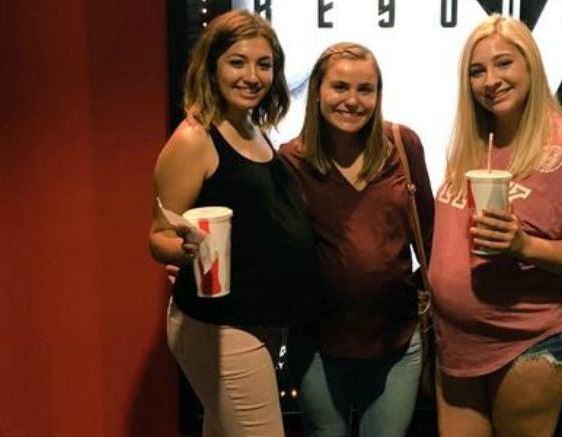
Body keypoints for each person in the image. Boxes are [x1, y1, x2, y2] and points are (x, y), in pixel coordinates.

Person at [427, 14, 562, 437]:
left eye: (503, 64)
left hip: (529, 339)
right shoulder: (474, 143)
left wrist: (524, 246)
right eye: (477, 71)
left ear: (530, 64)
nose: (490, 80)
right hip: (456, 340)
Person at [149, 10, 315, 437]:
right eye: (237, 61)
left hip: (258, 323)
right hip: (219, 325)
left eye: (264, 64)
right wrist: (184, 249)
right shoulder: (195, 139)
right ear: (213, 66)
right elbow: (157, 236)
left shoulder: (255, 131)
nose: (252, 76)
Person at [278, 42, 435, 437]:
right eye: (340, 87)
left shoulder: (403, 145)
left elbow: (430, 237)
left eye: (365, 89)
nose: (352, 100)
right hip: (317, 341)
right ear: (317, 91)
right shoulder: (289, 161)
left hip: (397, 336)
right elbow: (277, 249)